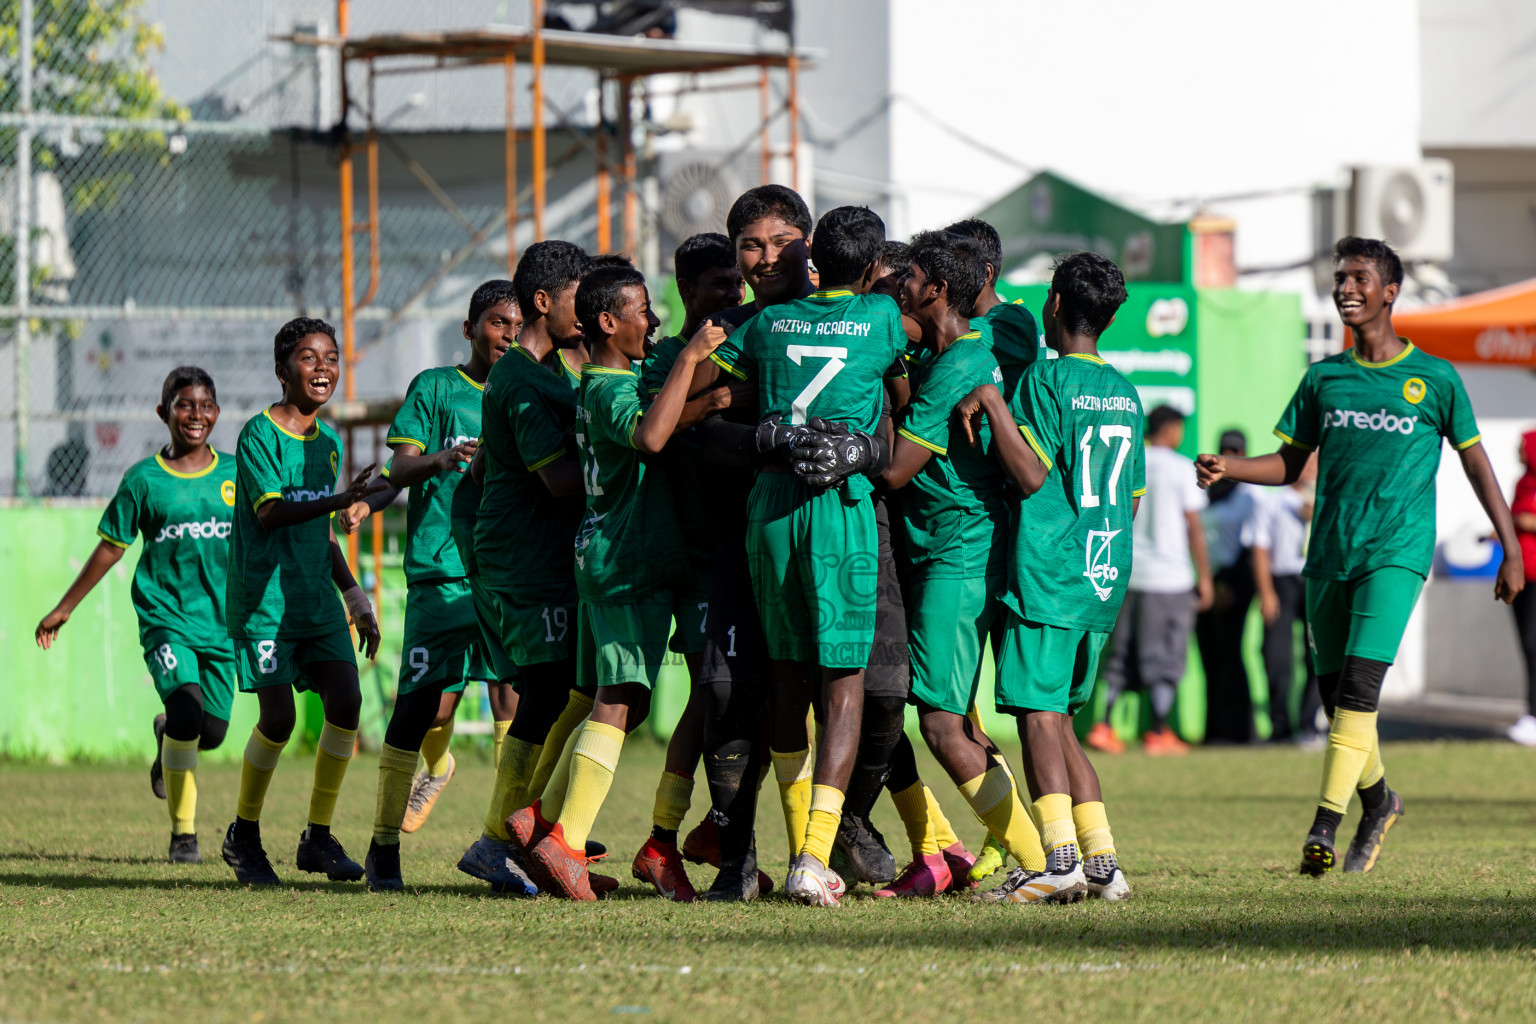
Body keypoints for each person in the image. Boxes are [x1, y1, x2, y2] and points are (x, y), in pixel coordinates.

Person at [1196, 236, 1525, 875]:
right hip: (1328, 555)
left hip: (1396, 554)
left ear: (1390, 292)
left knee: (1359, 690)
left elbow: (1478, 465)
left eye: (1359, 279)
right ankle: (1379, 802)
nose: (1346, 288)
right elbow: (1290, 463)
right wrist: (1231, 465)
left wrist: (1511, 548)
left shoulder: (1434, 378)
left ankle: (1326, 824)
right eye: (1340, 278)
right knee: (1336, 702)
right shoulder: (1324, 378)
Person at [708, 205, 907, 906]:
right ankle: (813, 857)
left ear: (813, 250)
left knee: (788, 679)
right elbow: (906, 391)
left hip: (769, 506)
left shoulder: (762, 325)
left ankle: (801, 850)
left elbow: (710, 391)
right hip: (838, 505)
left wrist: (756, 416)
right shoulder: (883, 318)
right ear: (877, 263)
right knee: (844, 684)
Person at [520, 264, 728, 900]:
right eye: (642, 310)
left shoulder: (623, 374)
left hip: (621, 558)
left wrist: (703, 393)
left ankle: (545, 821)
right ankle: (565, 839)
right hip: (624, 560)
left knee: (626, 700)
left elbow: (665, 413)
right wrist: (695, 362)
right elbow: (650, 435)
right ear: (608, 322)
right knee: (618, 696)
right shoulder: (608, 387)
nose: (653, 320)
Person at [953, 250, 1143, 904]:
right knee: (1059, 720)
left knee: (1037, 717)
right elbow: (1134, 496)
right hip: (1103, 574)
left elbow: (1029, 473)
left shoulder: (1043, 379)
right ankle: (1101, 866)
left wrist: (991, 404)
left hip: (1051, 572)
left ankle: (1056, 861)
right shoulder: (1124, 390)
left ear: (1055, 304)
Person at [871, 230, 1046, 898]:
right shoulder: (956, 355)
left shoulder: (959, 367)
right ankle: (1022, 855)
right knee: (960, 720)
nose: (898, 293)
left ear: (935, 290)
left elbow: (893, 472)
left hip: (958, 555)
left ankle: (1038, 862)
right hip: (947, 550)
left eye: (905, 282)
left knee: (942, 724)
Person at [335, 280, 520, 891]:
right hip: (441, 572)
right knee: (426, 706)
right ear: (469, 330)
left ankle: (505, 844)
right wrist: (426, 469)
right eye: (497, 322)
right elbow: (401, 466)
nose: (509, 333)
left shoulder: (530, 387)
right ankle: (383, 846)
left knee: (511, 699)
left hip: (504, 573)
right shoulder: (437, 388)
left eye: (516, 323)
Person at [35, 367, 239, 865]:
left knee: (210, 732)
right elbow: (110, 548)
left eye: (206, 405)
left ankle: (165, 734)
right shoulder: (144, 480)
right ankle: (184, 836)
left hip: (222, 624)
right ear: (163, 412)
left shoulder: (237, 473)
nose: (196, 415)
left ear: (217, 411)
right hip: (166, 618)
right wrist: (65, 607)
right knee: (189, 714)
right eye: (184, 405)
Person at [220, 317, 384, 886]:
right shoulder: (258, 435)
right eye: (309, 358)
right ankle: (243, 835)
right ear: (281, 370)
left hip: (314, 600)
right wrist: (340, 499)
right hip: (265, 603)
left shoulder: (330, 444)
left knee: (346, 702)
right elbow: (271, 513)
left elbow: (322, 533)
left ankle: (317, 836)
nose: (323, 369)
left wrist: (355, 595)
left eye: (331, 358)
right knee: (280, 718)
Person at [456, 241, 592, 893]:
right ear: (545, 301)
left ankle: (530, 827)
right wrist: (634, 458)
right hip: (522, 558)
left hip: (536, 554)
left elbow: (485, 466)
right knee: (551, 686)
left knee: (570, 685)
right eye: (578, 299)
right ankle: (499, 837)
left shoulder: (549, 374)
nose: (589, 311)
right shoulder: (521, 377)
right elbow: (559, 480)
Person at [629, 232, 749, 901]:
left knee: (736, 700)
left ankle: (707, 831)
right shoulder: (668, 358)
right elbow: (655, 433)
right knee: (711, 696)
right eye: (720, 286)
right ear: (687, 290)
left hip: (737, 546)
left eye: (737, 284)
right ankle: (664, 839)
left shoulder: (746, 340)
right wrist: (706, 396)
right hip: (691, 555)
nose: (733, 295)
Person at [1092, 405, 1212, 755]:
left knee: (1121, 654)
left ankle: (1104, 726)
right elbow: (1194, 527)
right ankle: (1159, 731)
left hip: (1130, 574)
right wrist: (1204, 576)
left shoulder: (1132, 461)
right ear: (1172, 429)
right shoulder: (1178, 467)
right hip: (1169, 579)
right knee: (1166, 657)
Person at [1251, 454, 1322, 744]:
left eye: (1313, 461)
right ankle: (1280, 725)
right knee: (1277, 657)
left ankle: (1310, 724)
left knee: (1317, 656)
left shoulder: (1328, 498)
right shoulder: (1272, 501)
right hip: (1282, 581)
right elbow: (1260, 548)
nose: (1308, 467)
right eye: (1303, 460)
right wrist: (1266, 592)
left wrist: (1317, 515)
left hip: (1316, 580)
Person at [1196, 429, 1259, 744]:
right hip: (1205, 580)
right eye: (1225, 450)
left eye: (1237, 451)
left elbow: (1252, 546)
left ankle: (1240, 731)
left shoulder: (1249, 494)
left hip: (1234, 582)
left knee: (1230, 654)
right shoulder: (1205, 490)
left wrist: (1228, 585)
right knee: (1209, 655)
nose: (1230, 455)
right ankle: (1215, 732)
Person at [1509, 430, 1536, 746]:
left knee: (1533, 643)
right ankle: (1530, 711)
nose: (1518, 451)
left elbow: (1523, 518)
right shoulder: (1522, 483)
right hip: (1521, 576)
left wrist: (1523, 520)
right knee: (1527, 645)